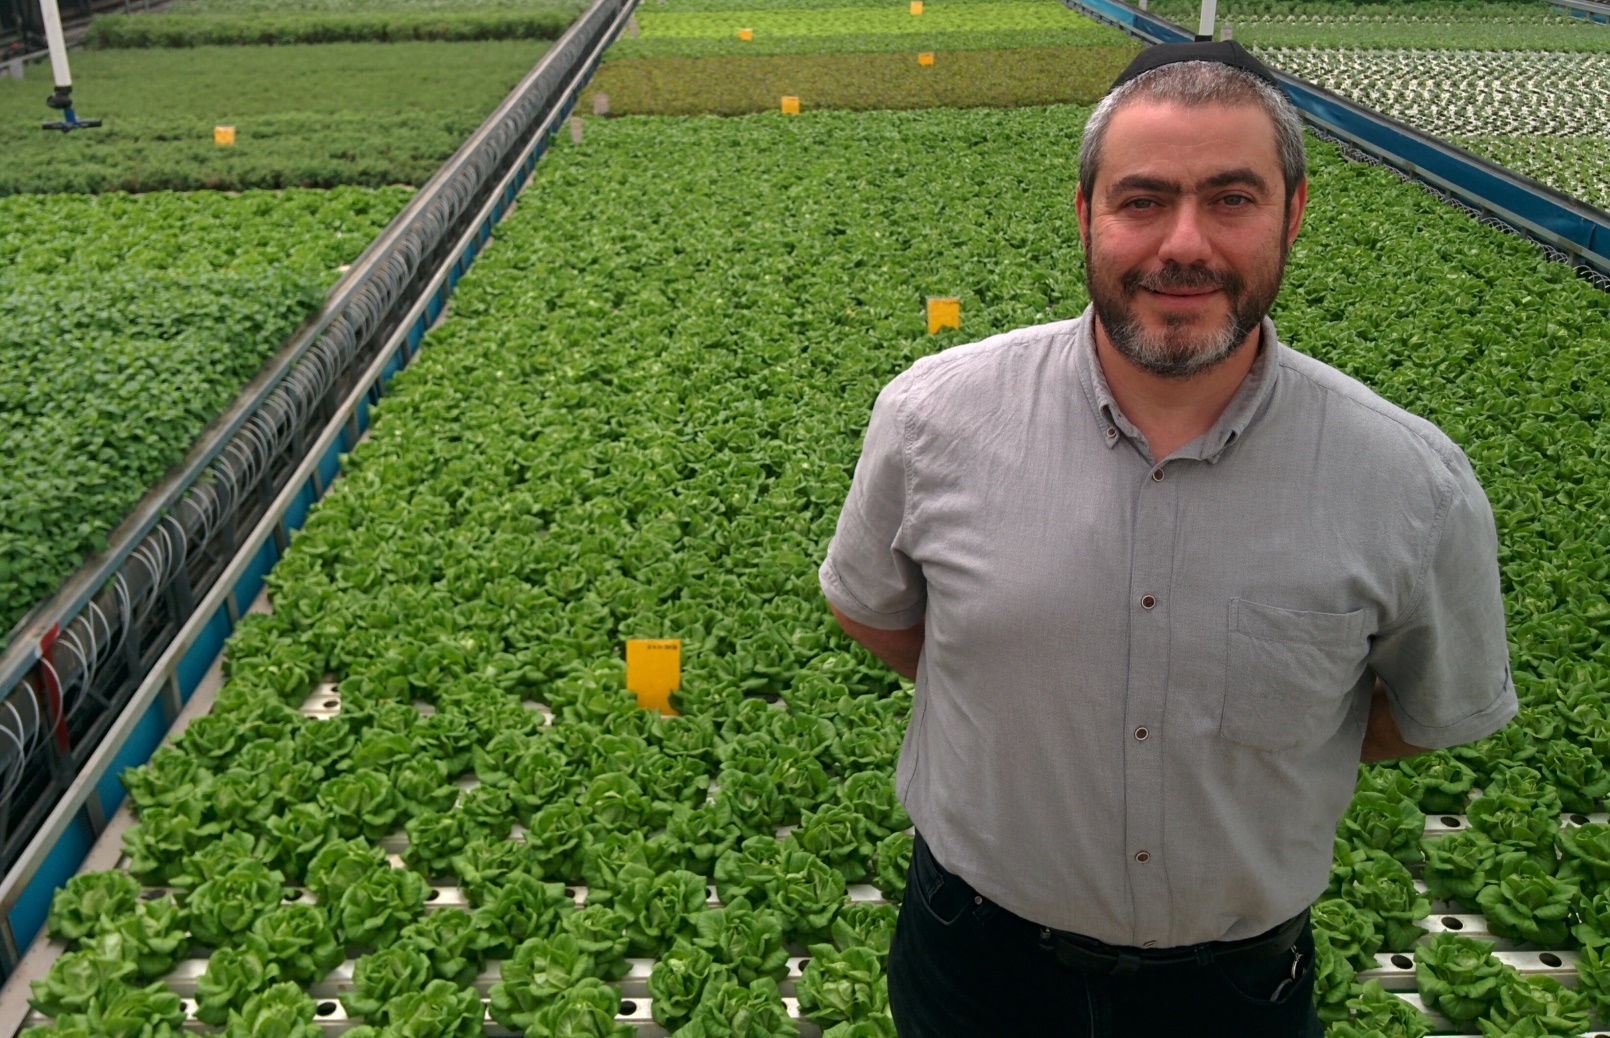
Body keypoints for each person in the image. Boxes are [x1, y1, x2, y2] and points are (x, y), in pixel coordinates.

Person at [817, 41, 1517, 1038]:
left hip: (1232, 994)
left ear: (1292, 213)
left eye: (1230, 199)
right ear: (1084, 217)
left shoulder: (1411, 484)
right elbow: (874, 615)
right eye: (1140, 200)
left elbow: (1410, 715)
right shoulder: (934, 418)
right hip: (974, 964)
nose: (1180, 242)